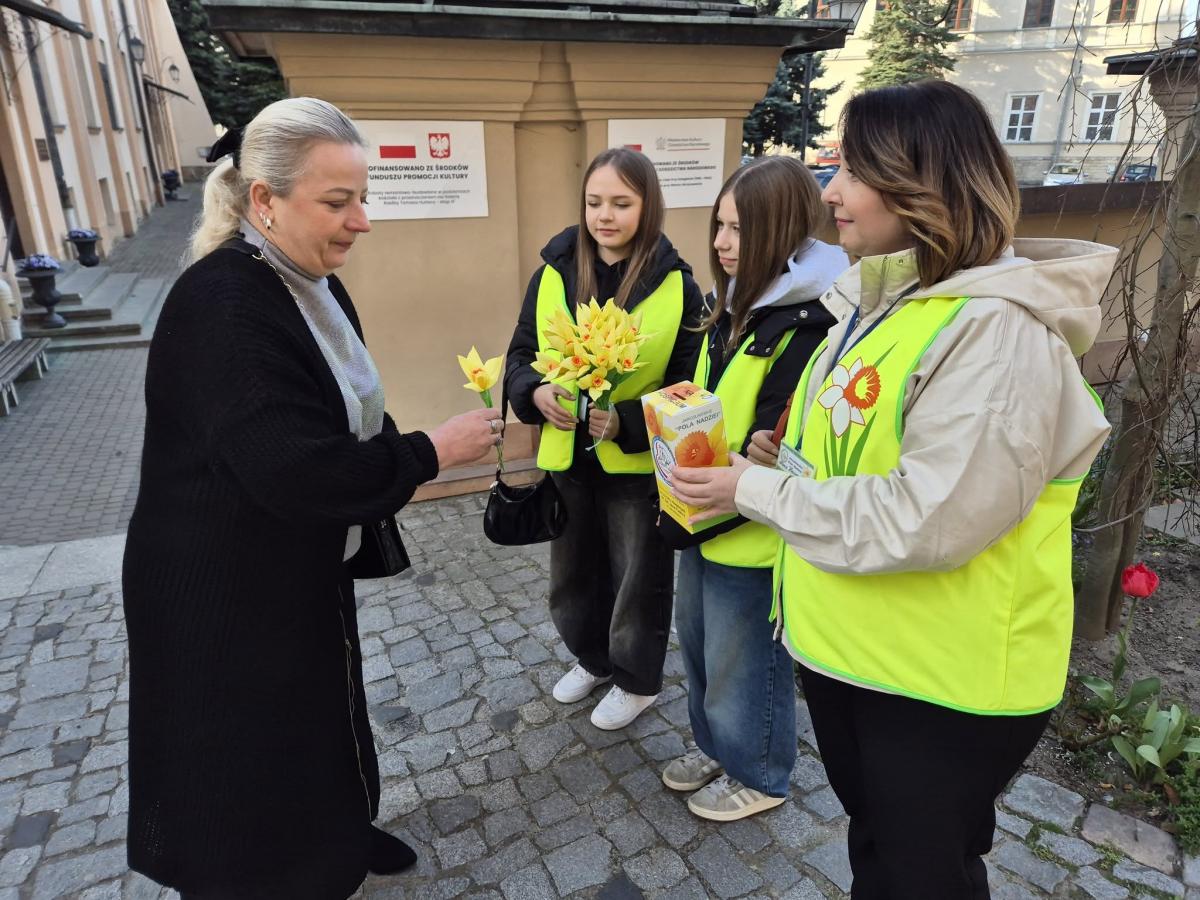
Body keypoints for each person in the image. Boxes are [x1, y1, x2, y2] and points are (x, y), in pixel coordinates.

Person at [670, 80, 1117, 896]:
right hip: (861, 654)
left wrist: (753, 493)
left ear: (924, 185)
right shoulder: (878, 306)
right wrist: (782, 462)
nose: (829, 193)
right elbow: (866, 461)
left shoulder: (994, 330)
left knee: (921, 875)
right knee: (879, 851)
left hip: (942, 682)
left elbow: (929, 517)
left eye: (853, 170)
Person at [122, 97, 502, 899]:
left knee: (320, 705)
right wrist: (432, 452)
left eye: (362, 198)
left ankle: (339, 835)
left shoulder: (304, 280)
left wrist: (398, 444)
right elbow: (296, 469)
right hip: (219, 583)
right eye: (338, 202)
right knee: (248, 747)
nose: (361, 221)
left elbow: (347, 406)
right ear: (265, 200)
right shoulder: (226, 305)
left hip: (290, 560)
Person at [660, 157, 848, 821]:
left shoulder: (812, 321)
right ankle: (717, 746)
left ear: (782, 229)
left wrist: (765, 451)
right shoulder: (735, 306)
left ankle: (761, 773)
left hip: (754, 528)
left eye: (739, 228)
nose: (722, 242)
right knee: (700, 646)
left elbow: (802, 432)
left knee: (746, 660)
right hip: (703, 511)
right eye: (719, 224)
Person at [504, 148, 705, 730]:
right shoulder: (554, 272)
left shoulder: (677, 286)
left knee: (638, 577)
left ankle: (636, 680)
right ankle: (592, 659)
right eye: (594, 202)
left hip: (633, 465)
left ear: (648, 207)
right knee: (571, 577)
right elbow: (521, 353)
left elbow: (690, 386)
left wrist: (625, 422)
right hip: (567, 457)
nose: (604, 216)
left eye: (621, 203)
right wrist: (535, 392)